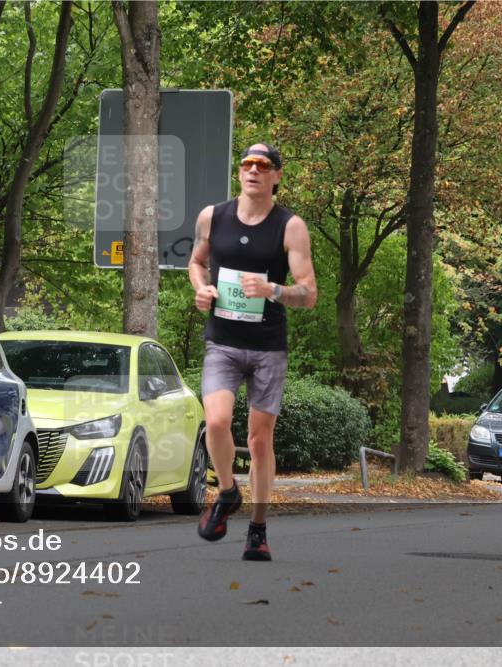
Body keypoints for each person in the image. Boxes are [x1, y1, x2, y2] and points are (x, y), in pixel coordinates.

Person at [188, 142, 317, 560]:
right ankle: (227, 492)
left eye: (263, 165)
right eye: (247, 164)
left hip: (267, 348)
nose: (253, 171)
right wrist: (201, 290)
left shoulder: (290, 226)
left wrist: (273, 290)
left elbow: (308, 293)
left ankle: (258, 531)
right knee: (217, 421)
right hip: (223, 342)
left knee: (260, 442)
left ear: (277, 175)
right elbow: (196, 262)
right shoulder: (213, 216)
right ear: (239, 171)